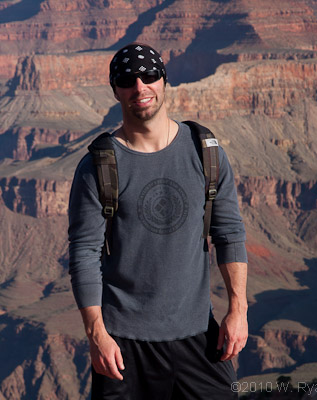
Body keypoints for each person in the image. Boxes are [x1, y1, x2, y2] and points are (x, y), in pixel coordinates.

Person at [68, 42, 248, 400]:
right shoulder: (99, 166)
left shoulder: (205, 151)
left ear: (164, 80)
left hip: (199, 339)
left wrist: (238, 310)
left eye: (149, 75)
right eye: (127, 80)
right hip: (123, 347)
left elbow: (228, 233)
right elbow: (84, 254)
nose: (140, 87)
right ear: (115, 89)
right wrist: (97, 335)